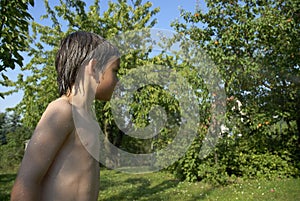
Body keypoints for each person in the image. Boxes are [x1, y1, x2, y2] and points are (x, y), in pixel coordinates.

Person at [11, 31, 120, 201]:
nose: (117, 81)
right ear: (94, 68)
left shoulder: (87, 117)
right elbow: (26, 183)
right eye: (115, 71)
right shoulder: (61, 111)